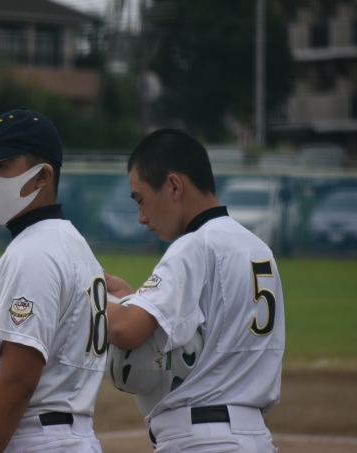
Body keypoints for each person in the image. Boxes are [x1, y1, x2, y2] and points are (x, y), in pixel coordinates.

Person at [104, 129, 285, 453]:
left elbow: (126, 330)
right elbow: (208, 323)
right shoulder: (257, 248)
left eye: (140, 199)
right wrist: (136, 299)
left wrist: (79, 293)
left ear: (174, 186)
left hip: (204, 439)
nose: (141, 217)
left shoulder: (194, 245)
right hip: (255, 437)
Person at [0, 107, 106, 453]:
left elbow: (17, 380)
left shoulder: (36, 252)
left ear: (42, 176)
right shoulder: (67, 243)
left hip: (35, 439)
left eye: (0, 166)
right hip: (59, 436)